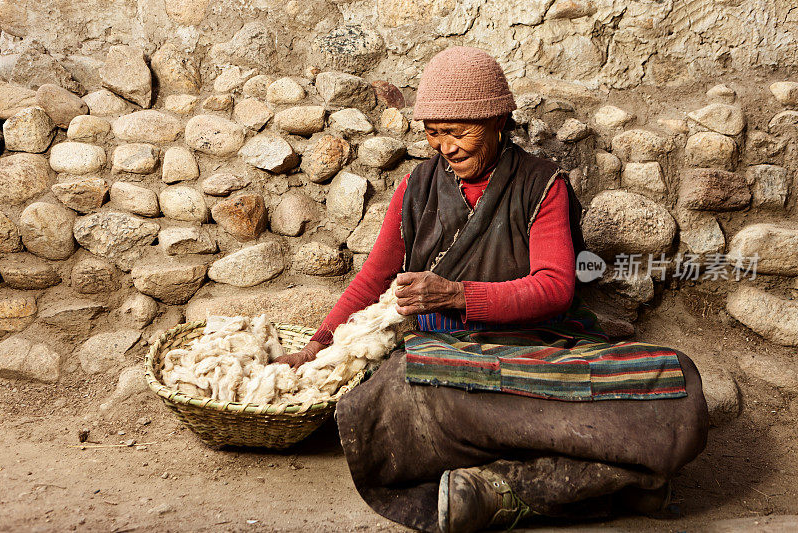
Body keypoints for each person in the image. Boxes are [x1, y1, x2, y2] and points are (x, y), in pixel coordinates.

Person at [276, 46, 709, 533]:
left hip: (536, 356)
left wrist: (456, 295)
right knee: (398, 390)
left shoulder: (542, 185)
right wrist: (317, 346)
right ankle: (580, 483)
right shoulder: (415, 188)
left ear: (499, 121)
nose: (447, 147)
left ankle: (514, 486)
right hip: (452, 363)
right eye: (435, 134)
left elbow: (556, 288)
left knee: (676, 387)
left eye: (461, 132)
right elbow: (373, 279)